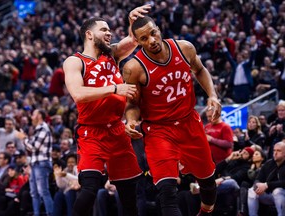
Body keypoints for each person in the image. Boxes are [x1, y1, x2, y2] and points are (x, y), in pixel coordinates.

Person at [123, 16, 222, 216]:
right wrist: (131, 120)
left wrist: (212, 95)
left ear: (159, 29)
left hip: (189, 122)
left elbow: (200, 70)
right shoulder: (133, 68)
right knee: (167, 190)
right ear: (138, 42)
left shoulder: (185, 48)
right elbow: (132, 104)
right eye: (143, 38)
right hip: (159, 130)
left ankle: (205, 212)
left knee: (208, 183)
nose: (151, 40)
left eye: (153, 33)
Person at [62, 5, 151, 216]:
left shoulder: (112, 54)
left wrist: (132, 22)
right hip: (92, 132)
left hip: (117, 131)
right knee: (90, 191)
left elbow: (135, 40)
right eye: (104, 29)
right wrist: (115, 88)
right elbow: (78, 94)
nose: (109, 32)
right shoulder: (75, 61)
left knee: (130, 194)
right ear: (89, 34)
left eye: (110, 29)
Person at [16, 109, 54, 216]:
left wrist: (24, 138)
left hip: (42, 163)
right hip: (35, 163)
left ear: (40, 116)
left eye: (33, 114)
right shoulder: (38, 129)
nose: (31, 117)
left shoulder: (43, 129)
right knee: (34, 193)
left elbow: (33, 147)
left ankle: (51, 213)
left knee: (43, 192)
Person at [247, 141, 285, 216]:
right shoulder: (268, 163)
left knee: (277, 191)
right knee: (251, 191)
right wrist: (257, 186)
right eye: (274, 150)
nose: (275, 153)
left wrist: (267, 185)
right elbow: (258, 179)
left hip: (282, 194)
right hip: (269, 195)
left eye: (279, 151)